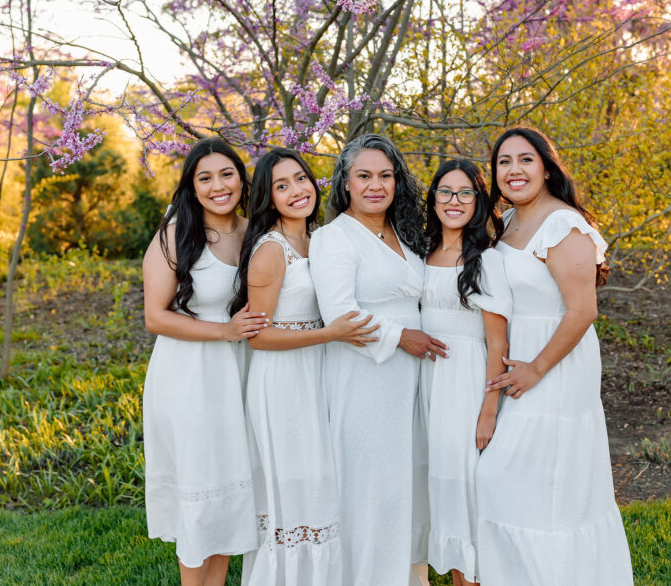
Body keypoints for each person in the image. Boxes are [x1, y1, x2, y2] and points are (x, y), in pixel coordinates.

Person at [476, 127, 633, 585]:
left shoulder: (563, 224)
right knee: (509, 483)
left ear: (546, 167)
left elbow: (583, 311)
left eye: (525, 160)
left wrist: (536, 369)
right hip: (519, 365)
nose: (514, 170)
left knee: (546, 487)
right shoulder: (508, 223)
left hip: (556, 370)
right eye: (504, 162)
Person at [234, 148, 379, 586]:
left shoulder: (319, 238)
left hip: (318, 373)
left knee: (323, 485)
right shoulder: (271, 251)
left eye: (300, 179)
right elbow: (258, 335)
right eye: (282, 186)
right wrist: (328, 334)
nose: (297, 191)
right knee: (296, 489)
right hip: (283, 382)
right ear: (268, 197)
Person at [309, 134, 447, 586]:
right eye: (364, 176)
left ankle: (412, 577)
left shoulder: (404, 233)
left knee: (410, 481)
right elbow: (339, 314)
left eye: (385, 175)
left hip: (413, 377)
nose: (376, 185)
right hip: (364, 375)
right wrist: (400, 336)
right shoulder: (334, 237)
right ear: (345, 183)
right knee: (372, 485)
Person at [141, 136, 269, 586]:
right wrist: (225, 331)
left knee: (229, 500)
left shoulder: (256, 231)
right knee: (202, 496)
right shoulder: (175, 235)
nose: (219, 185)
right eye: (205, 177)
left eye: (227, 173)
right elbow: (155, 317)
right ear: (191, 187)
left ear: (242, 178)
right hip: (191, 377)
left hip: (241, 374)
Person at [421, 160, 511, 586]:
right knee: (437, 486)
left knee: (463, 492)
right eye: (444, 191)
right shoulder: (420, 251)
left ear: (479, 202)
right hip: (424, 382)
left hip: (466, 382)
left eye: (465, 193)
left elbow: (498, 343)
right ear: (432, 198)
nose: (453, 201)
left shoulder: (487, 261)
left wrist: (488, 409)